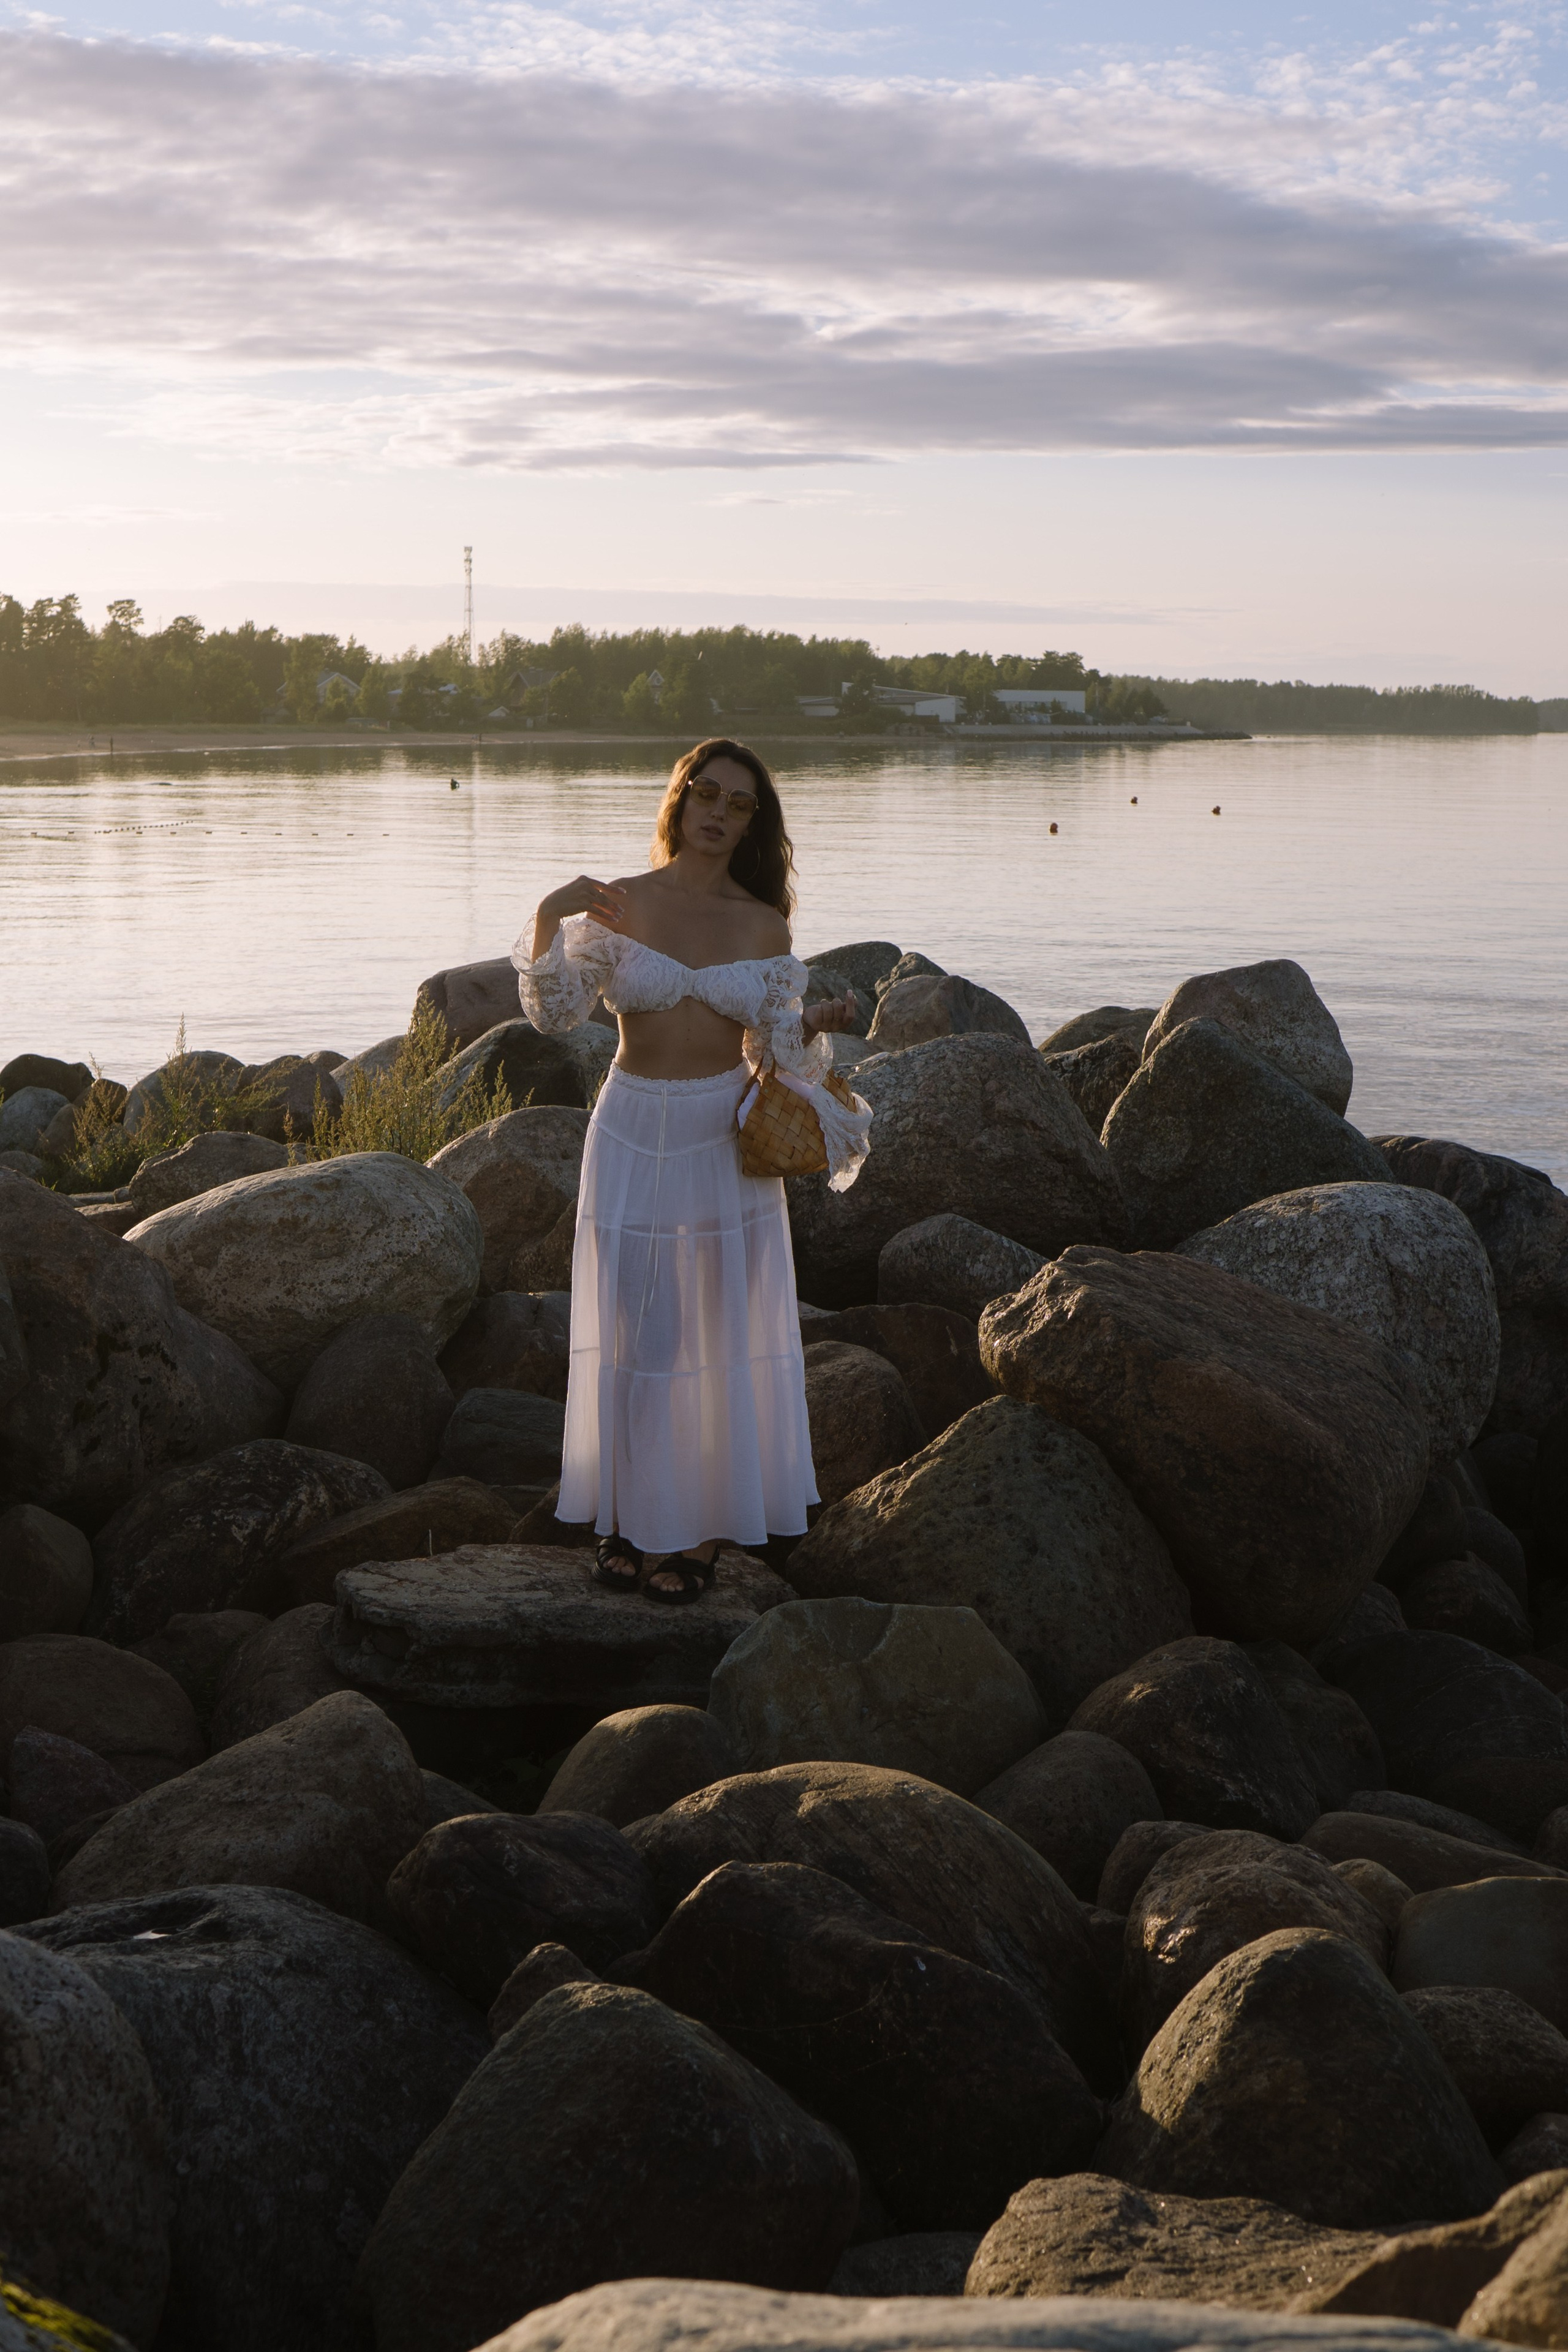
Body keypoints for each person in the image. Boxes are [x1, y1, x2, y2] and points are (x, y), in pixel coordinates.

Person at [514, 737, 871, 1600]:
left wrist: (814, 1023)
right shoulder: (619, 904)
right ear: (679, 801)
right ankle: (631, 1521)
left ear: (754, 822)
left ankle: (700, 1535)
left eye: (738, 803)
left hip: (720, 1133)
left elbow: (776, 1049)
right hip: (631, 1124)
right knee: (637, 1331)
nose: (717, 812)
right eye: (705, 793)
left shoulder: (764, 924)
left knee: (715, 1328)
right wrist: (548, 915)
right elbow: (555, 1014)